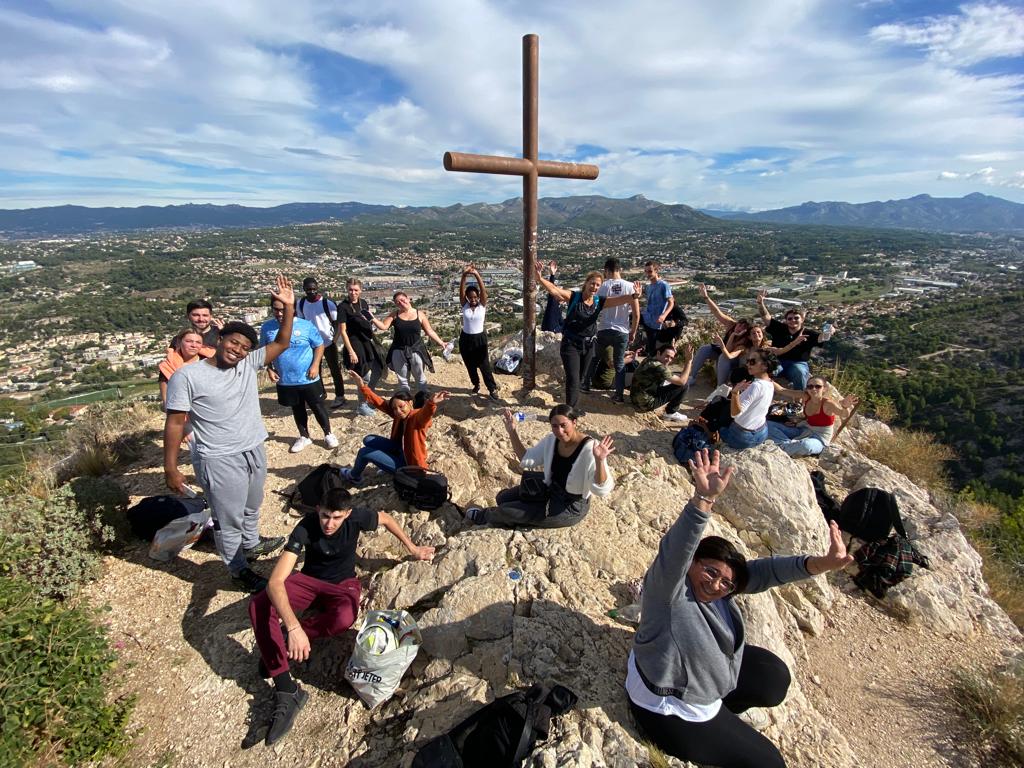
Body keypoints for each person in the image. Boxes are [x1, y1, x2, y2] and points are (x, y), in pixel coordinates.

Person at [627, 449, 854, 768]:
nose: (717, 584)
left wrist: (822, 563)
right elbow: (675, 549)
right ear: (691, 563)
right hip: (669, 704)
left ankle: (723, 702)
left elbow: (766, 572)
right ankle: (712, 721)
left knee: (774, 678)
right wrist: (703, 500)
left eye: (726, 582)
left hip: (701, 674)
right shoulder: (668, 594)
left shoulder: (719, 592)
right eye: (710, 571)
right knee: (771, 764)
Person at [248, 486, 435, 746]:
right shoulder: (306, 527)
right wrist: (293, 628)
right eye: (325, 516)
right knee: (259, 605)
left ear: (347, 513)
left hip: (342, 584)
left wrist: (413, 549)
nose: (329, 523)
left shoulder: (357, 517)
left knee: (344, 618)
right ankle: (287, 689)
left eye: (337, 517)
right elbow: (276, 581)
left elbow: (387, 519)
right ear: (317, 510)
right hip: (309, 580)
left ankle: (278, 643)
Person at [163, 275, 296, 593]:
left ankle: (251, 544)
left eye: (245, 347)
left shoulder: (247, 364)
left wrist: (289, 308)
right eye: (233, 342)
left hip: (253, 446)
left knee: (252, 503)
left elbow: (282, 342)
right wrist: (170, 467)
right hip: (217, 457)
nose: (238, 350)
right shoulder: (188, 377)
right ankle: (237, 569)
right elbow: (175, 423)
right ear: (220, 339)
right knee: (228, 516)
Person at [464, 405, 615, 529]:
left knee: (506, 510)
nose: (560, 431)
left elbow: (601, 489)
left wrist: (600, 461)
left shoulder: (591, 449)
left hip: (569, 506)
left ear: (574, 422)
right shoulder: (552, 440)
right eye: (555, 426)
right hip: (549, 489)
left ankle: (482, 516)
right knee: (502, 498)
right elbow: (526, 459)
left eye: (564, 425)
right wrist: (512, 432)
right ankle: (522, 513)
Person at [535, 262, 637, 410]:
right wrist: (540, 279)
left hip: (589, 345)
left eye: (597, 285)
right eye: (592, 284)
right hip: (571, 344)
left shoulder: (598, 301)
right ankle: (570, 410)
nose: (594, 287)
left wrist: (634, 295)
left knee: (582, 378)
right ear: (586, 283)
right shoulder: (574, 297)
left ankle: (573, 408)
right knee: (573, 379)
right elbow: (555, 290)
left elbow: (620, 300)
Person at [338, 369, 450, 485]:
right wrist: (362, 385)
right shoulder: (399, 415)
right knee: (368, 439)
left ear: (410, 403)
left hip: (410, 467)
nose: (398, 411)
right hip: (399, 450)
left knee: (364, 452)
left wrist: (431, 403)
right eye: (395, 409)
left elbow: (424, 415)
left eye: (401, 407)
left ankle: (353, 476)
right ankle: (386, 462)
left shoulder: (416, 418)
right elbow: (380, 403)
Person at [259, 296, 337, 453]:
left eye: (283, 309)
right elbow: (264, 351)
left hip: (308, 376)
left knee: (317, 406)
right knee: (297, 408)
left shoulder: (305, 325)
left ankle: (328, 433)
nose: (279, 313)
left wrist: (315, 365)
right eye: (276, 309)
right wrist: (269, 368)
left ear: (292, 308)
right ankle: (304, 436)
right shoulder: (267, 328)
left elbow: (319, 345)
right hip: (286, 379)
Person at [583, 258, 640, 403]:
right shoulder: (631, 286)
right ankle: (619, 395)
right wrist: (632, 332)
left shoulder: (602, 286)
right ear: (619, 269)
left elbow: (593, 307)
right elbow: (636, 313)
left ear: (606, 270)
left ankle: (585, 385)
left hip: (604, 328)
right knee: (619, 363)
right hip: (622, 330)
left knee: (595, 357)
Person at [375, 291, 446, 402]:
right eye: (398, 303)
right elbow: (383, 327)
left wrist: (441, 342)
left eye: (403, 300)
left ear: (408, 299)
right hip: (398, 350)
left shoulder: (420, 314)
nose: (401, 304)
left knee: (420, 378)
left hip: (416, 350)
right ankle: (405, 402)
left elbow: (429, 331)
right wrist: (372, 318)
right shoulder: (395, 314)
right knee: (403, 380)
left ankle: (423, 402)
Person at [767, 377, 859, 457]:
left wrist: (845, 406)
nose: (813, 389)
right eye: (810, 386)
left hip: (819, 438)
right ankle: (788, 446)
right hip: (803, 430)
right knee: (769, 425)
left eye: (818, 386)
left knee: (806, 446)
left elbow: (844, 414)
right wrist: (766, 379)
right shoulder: (806, 397)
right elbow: (782, 390)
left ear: (824, 389)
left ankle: (782, 446)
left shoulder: (827, 404)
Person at [756, 293, 830, 391]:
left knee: (799, 372)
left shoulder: (808, 333)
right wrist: (761, 303)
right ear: (786, 320)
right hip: (778, 361)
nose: (793, 320)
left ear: (802, 319)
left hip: (798, 363)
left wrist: (828, 333)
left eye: (796, 318)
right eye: (790, 318)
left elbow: (821, 338)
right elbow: (766, 317)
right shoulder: (779, 328)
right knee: (767, 369)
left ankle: (800, 400)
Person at [686, 284, 753, 388]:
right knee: (705, 349)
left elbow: (728, 352)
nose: (739, 328)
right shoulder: (732, 325)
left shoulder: (744, 341)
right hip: (723, 351)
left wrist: (732, 336)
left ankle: (720, 386)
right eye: (739, 324)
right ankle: (691, 377)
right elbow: (717, 312)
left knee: (723, 357)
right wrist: (706, 297)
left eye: (743, 327)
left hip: (732, 360)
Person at [336, 278, 385, 418]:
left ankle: (366, 400)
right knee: (362, 375)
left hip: (366, 342)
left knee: (372, 371)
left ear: (361, 290)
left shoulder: (363, 303)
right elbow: (343, 331)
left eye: (356, 290)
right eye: (350, 289)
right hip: (354, 343)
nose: (353, 293)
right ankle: (362, 405)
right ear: (346, 289)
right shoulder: (343, 307)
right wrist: (350, 351)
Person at [297, 277, 345, 408]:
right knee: (314, 370)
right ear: (304, 289)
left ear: (317, 288)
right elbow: (301, 322)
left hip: (328, 343)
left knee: (335, 369)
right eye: (308, 289)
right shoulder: (301, 303)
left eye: (313, 289)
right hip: (311, 344)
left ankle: (340, 395)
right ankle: (320, 394)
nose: (311, 292)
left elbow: (337, 323)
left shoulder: (327, 303)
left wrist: (334, 339)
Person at [717, 349, 778, 450]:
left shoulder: (755, 386)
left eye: (752, 362)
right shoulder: (770, 383)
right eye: (747, 361)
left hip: (742, 437)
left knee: (720, 428)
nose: (748, 364)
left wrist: (735, 393)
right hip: (762, 433)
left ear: (765, 366)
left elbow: (735, 413)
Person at [458, 264, 500, 402]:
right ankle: (475, 384)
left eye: (475, 297)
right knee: (470, 364)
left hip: (479, 339)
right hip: (465, 339)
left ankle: (492, 389)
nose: (473, 299)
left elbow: (483, 290)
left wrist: (476, 274)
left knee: (484, 365)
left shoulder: (482, 305)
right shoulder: (464, 305)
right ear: (467, 298)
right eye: (471, 297)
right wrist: (464, 276)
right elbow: (461, 290)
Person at [630, 344, 694, 422]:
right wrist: (689, 361)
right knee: (684, 386)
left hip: (635, 398)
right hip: (645, 404)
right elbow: (682, 381)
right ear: (658, 353)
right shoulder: (658, 367)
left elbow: (665, 371)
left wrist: (671, 351)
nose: (669, 360)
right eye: (667, 356)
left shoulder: (649, 359)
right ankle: (670, 413)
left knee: (668, 380)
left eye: (671, 358)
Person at [158, 329, 204, 407]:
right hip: (179, 411)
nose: (193, 345)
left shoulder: (208, 363)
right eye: (189, 341)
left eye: (198, 342)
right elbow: (166, 399)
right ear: (179, 342)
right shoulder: (168, 366)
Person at [639, 261, 675, 357]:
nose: (647, 274)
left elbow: (671, 302)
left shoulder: (663, 285)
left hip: (657, 322)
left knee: (655, 350)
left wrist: (663, 316)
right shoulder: (649, 287)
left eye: (650, 271)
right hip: (648, 320)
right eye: (646, 271)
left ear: (656, 271)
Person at [540, 260, 564, 333]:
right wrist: (552, 275)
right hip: (551, 331)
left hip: (552, 329)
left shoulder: (558, 307)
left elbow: (562, 322)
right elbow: (551, 290)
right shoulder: (553, 304)